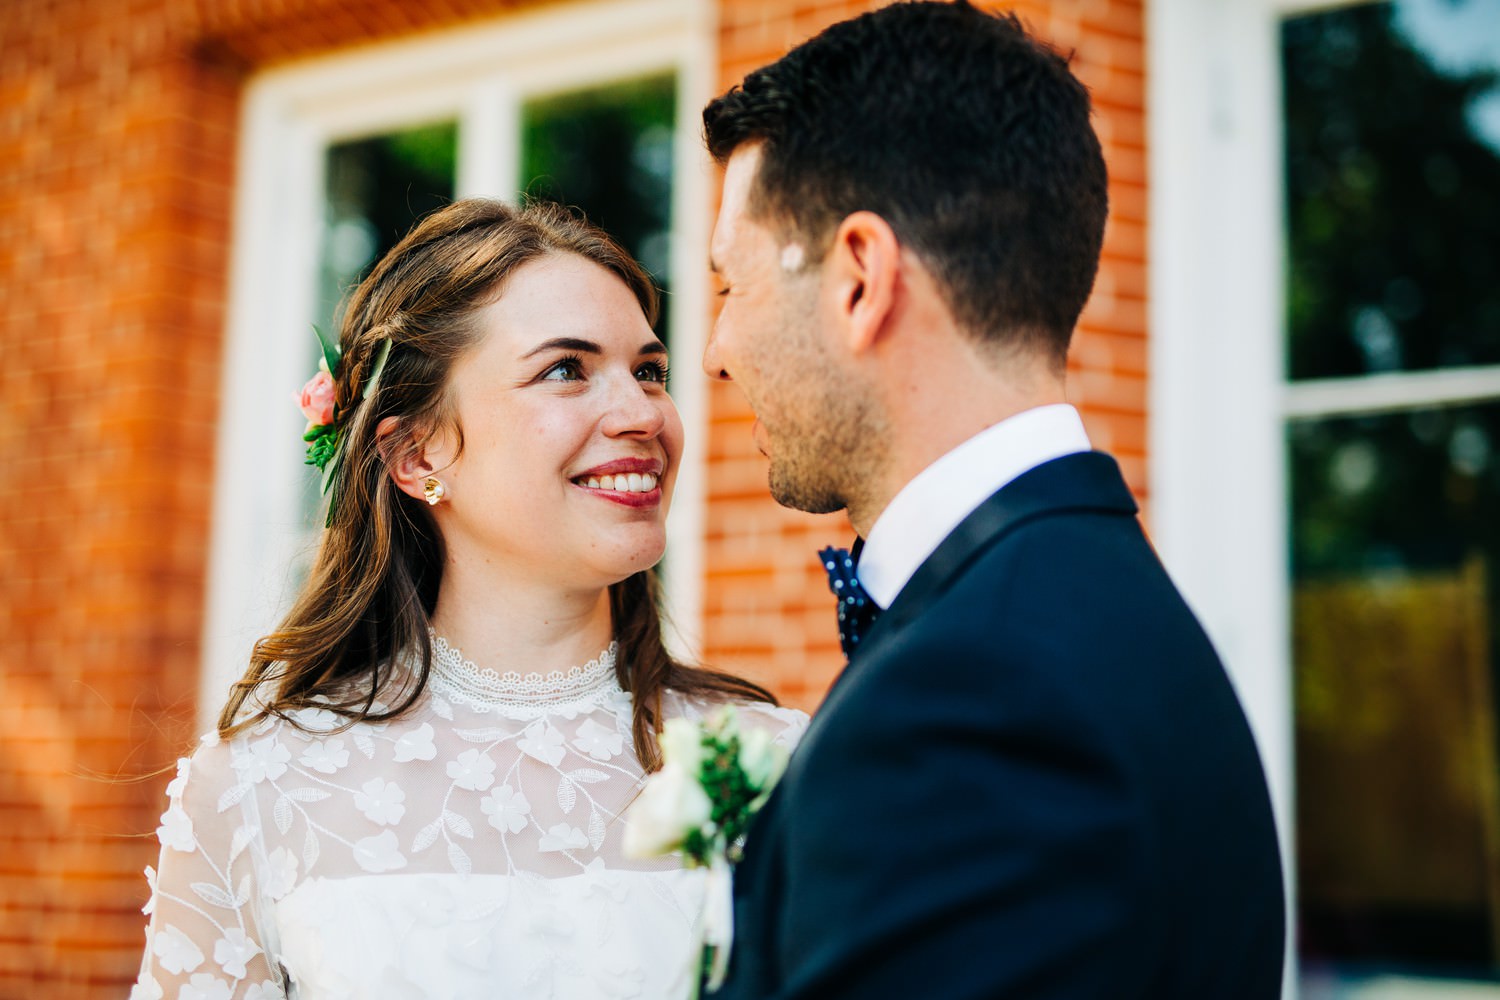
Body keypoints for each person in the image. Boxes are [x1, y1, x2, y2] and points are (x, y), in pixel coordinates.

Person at [699, 3, 1286, 998]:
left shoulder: (970, 703)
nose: (716, 354)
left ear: (859, 279)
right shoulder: (1089, 605)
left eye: (731, 287)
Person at [131, 199, 805, 1000]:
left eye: (649, 371)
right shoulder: (259, 788)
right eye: (567, 369)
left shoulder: (774, 764)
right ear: (417, 455)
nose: (643, 415)